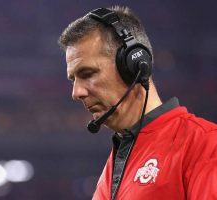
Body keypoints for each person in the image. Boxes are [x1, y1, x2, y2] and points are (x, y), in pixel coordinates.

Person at [58, 6, 217, 200]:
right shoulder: (113, 167)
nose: (76, 93)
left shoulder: (205, 144)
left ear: (134, 66)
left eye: (88, 74)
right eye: (73, 79)